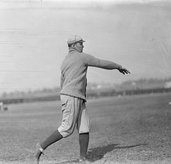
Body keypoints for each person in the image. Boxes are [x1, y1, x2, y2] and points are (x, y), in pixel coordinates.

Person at [35, 35, 130, 163]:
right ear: (73, 45)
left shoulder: (65, 61)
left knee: (84, 127)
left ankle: (83, 158)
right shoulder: (81, 57)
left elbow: (62, 82)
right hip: (72, 96)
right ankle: (40, 147)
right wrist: (118, 66)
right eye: (80, 43)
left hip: (75, 96)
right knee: (66, 128)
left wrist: (66, 97)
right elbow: (101, 63)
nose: (83, 45)